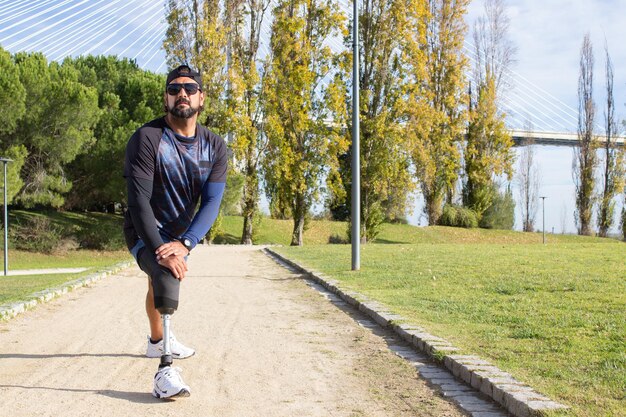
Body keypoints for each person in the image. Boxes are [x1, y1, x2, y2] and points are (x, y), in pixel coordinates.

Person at [123, 64, 227, 399]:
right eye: (173, 88)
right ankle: (164, 372)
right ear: (165, 98)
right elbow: (138, 201)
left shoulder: (215, 146)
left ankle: (157, 341)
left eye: (190, 88)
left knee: (160, 275)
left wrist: (184, 243)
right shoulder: (147, 138)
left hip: (179, 235)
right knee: (165, 277)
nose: (181, 93)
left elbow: (211, 203)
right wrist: (160, 248)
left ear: (201, 97)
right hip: (143, 229)